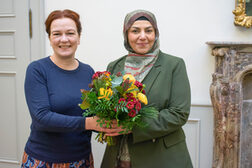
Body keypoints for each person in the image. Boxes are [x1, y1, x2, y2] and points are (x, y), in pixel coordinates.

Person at [21, 9, 123, 168]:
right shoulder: (37, 70)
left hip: (82, 160)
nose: (64, 39)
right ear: (49, 38)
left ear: (79, 37)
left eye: (70, 33)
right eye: (56, 34)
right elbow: (41, 118)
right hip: (44, 160)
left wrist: (112, 123)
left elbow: (94, 114)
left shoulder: (88, 72)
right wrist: (90, 123)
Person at [101, 9, 193, 168]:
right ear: (126, 34)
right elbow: (105, 105)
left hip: (161, 158)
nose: (142, 36)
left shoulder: (174, 65)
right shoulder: (114, 66)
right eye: (135, 31)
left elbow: (179, 113)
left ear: (155, 34)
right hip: (118, 156)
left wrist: (130, 127)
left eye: (148, 31)